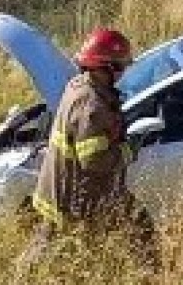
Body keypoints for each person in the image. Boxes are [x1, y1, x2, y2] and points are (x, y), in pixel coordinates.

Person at [15, 28, 160, 280]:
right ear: (107, 67)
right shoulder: (91, 106)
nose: (123, 73)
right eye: (120, 67)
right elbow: (94, 160)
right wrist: (129, 149)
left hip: (75, 190)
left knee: (138, 229)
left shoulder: (79, 85)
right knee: (60, 255)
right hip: (77, 197)